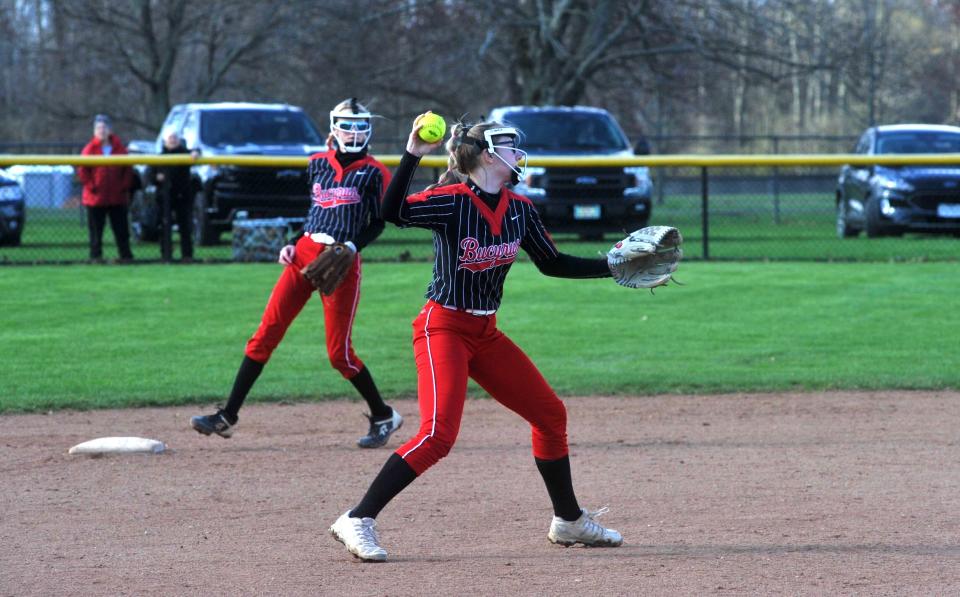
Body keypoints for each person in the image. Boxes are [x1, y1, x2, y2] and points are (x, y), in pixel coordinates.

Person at [329, 115, 623, 562]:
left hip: (485, 333)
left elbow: (552, 263)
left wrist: (611, 264)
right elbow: (392, 213)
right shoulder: (452, 201)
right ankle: (357, 518)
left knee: (549, 415)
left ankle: (568, 521)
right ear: (487, 154)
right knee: (437, 435)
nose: (518, 154)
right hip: (442, 327)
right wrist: (412, 153)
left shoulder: (520, 209)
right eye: (509, 147)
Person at [190, 98, 404, 449]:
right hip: (303, 253)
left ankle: (384, 415)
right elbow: (315, 212)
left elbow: (380, 222)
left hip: (341, 259)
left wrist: (352, 247)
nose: (354, 131)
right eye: (347, 125)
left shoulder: (374, 171)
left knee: (340, 354)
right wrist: (293, 242)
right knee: (264, 335)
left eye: (361, 125)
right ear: (333, 128)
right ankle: (227, 416)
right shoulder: (317, 163)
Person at [77, 114, 135, 263]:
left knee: (121, 230)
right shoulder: (90, 149)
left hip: (117, 197)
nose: (101, 131)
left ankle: (126, 256)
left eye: (104, 127)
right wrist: (92, 187)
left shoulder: (119, 148)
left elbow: (128, 169)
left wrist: (123, 186)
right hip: (95, 198)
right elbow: (82, 171)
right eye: (98, 128)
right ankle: (96, 257)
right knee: (96, 231)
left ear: (110, 130)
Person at [146, 131, 196, 262]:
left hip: (182, 196)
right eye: (170, 138)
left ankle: (187, 255)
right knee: (164, 226)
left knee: (185, 226)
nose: (172, 140)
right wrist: (157, 178)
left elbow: (197, 151)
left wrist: (196, 153)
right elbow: (150, 176)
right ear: (165, 141)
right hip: (164, 198)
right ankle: (166, 254)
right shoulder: (160, 157)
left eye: (175, 138)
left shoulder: (185, 154)